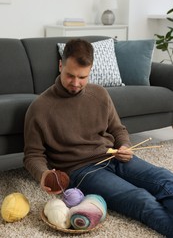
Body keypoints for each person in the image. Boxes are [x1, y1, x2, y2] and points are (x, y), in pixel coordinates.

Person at [24, 38, 173, 237]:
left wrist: (125, 146)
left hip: (113, 156)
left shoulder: (100, 94)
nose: (76, 83)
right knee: (140, 199)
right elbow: (32, 155)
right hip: (82, 171)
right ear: (61, 65)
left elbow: (118, 129)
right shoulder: (39, 108)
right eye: (70, 75)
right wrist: (43, 174)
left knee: (165, 179)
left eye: (82, 77)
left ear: (91, 70)